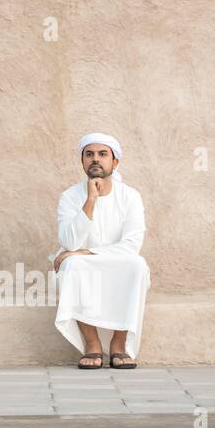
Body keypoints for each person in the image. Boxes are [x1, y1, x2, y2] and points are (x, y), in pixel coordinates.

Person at [51, 133, 151, 369]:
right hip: (83, 264)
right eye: (89, 154)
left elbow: (131, 246)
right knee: (71, 265)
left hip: (117, 262)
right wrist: (91, 200)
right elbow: (69, 241)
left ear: (115, 162)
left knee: (137, 264)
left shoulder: (130, 197)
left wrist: (84, 253)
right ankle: (92, 344)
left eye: (102, 154)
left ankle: (119, 343)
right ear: (83, 161)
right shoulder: (70, 196)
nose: (95, 159)